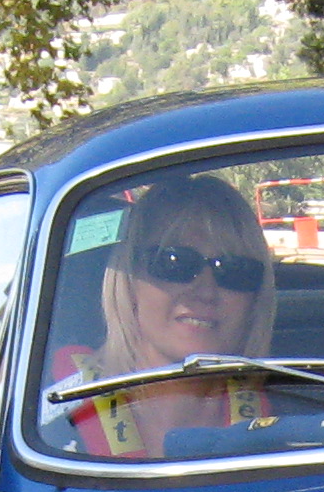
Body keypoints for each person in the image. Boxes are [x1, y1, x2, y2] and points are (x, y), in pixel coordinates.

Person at [52, 174, 282, 459]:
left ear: (255, 299)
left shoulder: (296, 420)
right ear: (128, 278)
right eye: (174, 263)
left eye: (233, 270)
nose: (205, 291)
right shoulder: (49, 416)